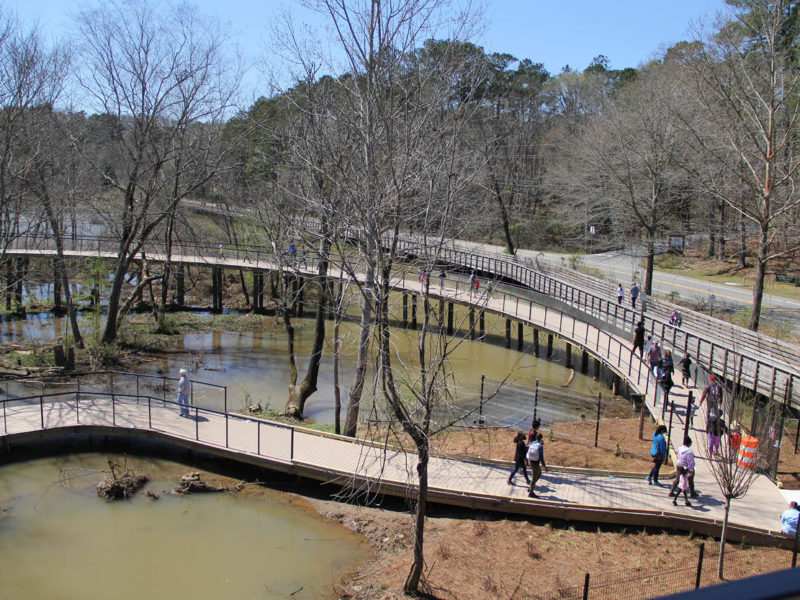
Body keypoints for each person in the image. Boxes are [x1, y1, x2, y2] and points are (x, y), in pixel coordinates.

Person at [669, 436, 696, 501]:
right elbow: (690, 461)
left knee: (677, 479)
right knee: (690, 479)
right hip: (686, 467)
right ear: (689, 443)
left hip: (679, 465)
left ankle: (671, 491)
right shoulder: (689, 451)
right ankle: (692, 492)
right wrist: (691, 470)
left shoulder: (680, 448)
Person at [527, 433, 547, 498]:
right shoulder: (540, 446)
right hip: (535, 463)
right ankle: (531, 492)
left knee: (539, 473)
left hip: (530, 461)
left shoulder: (533, 442)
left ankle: (531, 487)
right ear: (541, 438)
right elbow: (541, 457)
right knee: (534, 477)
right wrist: (544, 466)